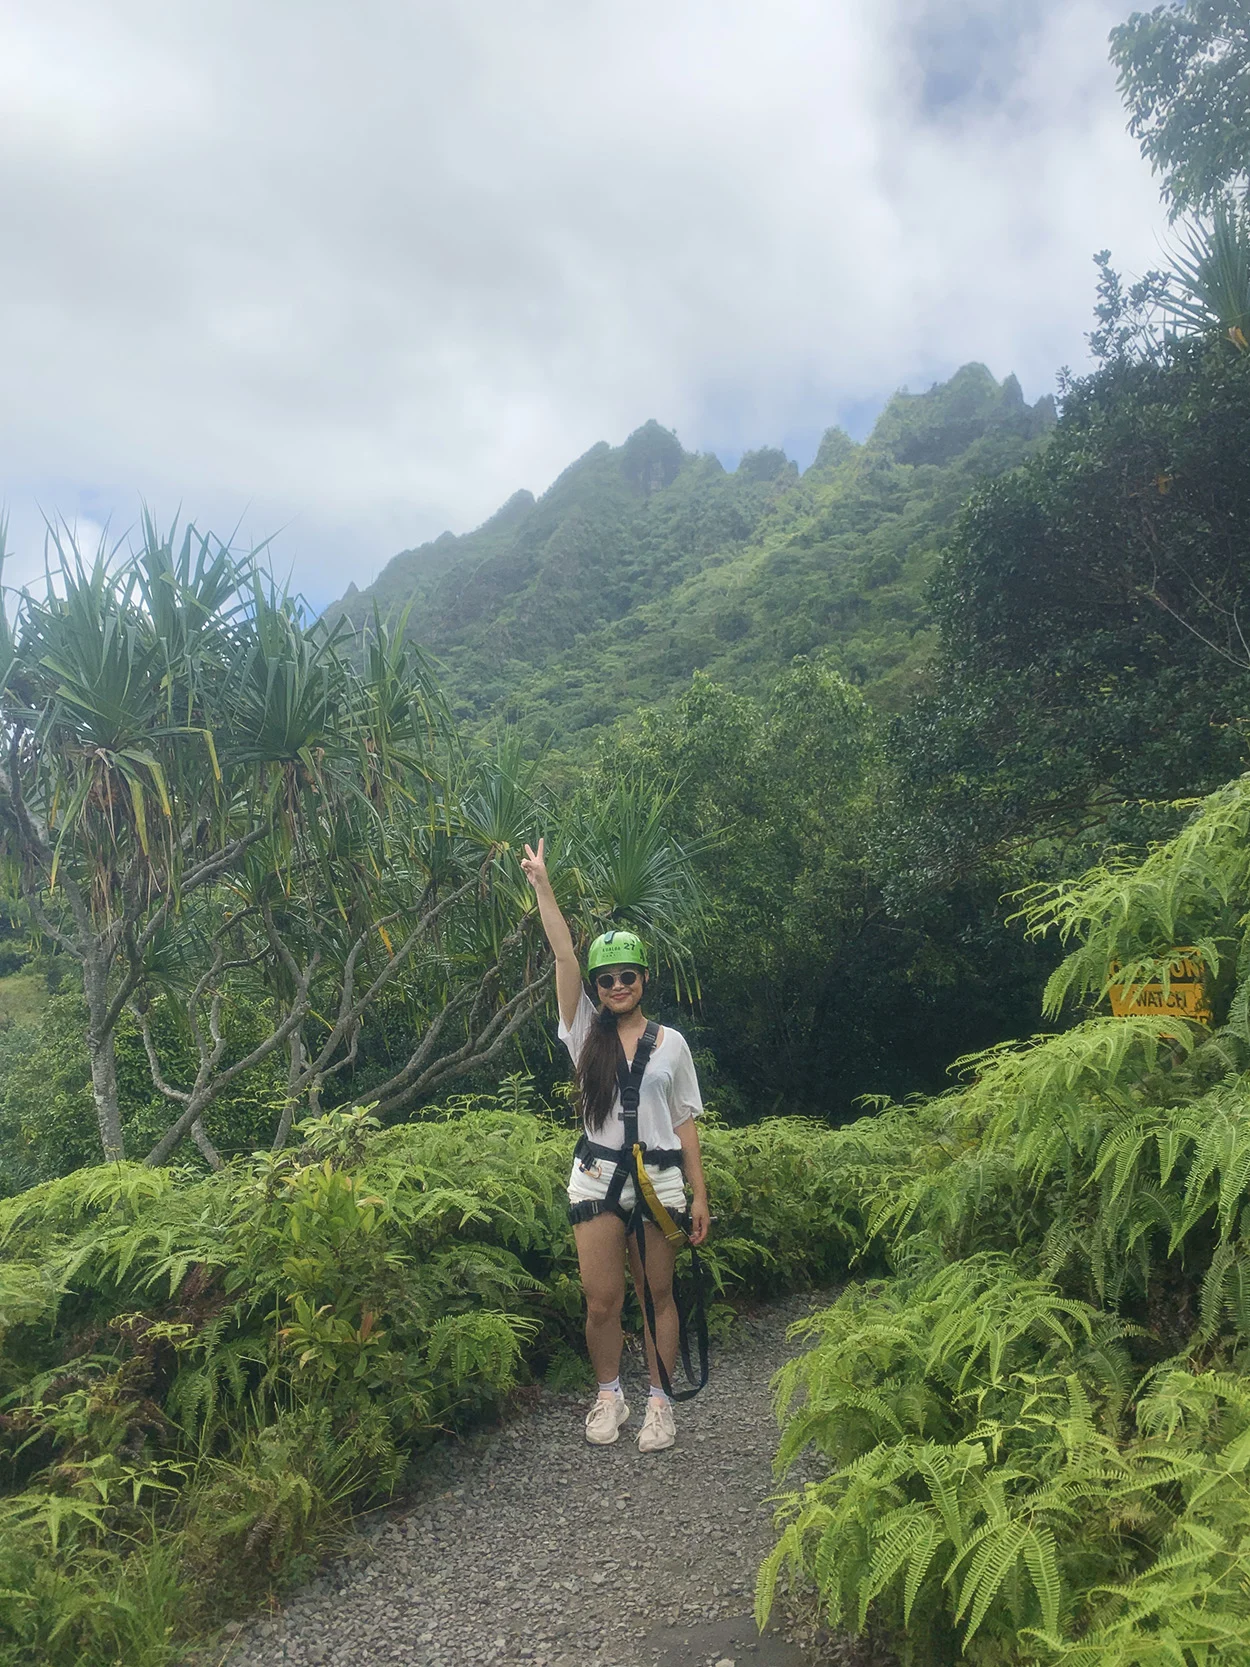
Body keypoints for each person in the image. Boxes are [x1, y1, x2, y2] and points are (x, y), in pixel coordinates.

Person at [520, 837, 709, 1453]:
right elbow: (563, 956)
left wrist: (699, 1196)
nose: (617, 985)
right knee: (602, 1301)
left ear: (644, 979)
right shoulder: (581, 1034)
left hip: (660, 1180)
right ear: (598, 986)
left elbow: (684, 1124)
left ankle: (660, 1401)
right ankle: (610, 1393)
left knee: (659, 1292)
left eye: (627, 975)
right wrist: (543, 884)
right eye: (608, 978)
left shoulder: (672, 1044)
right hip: (598, 1178)